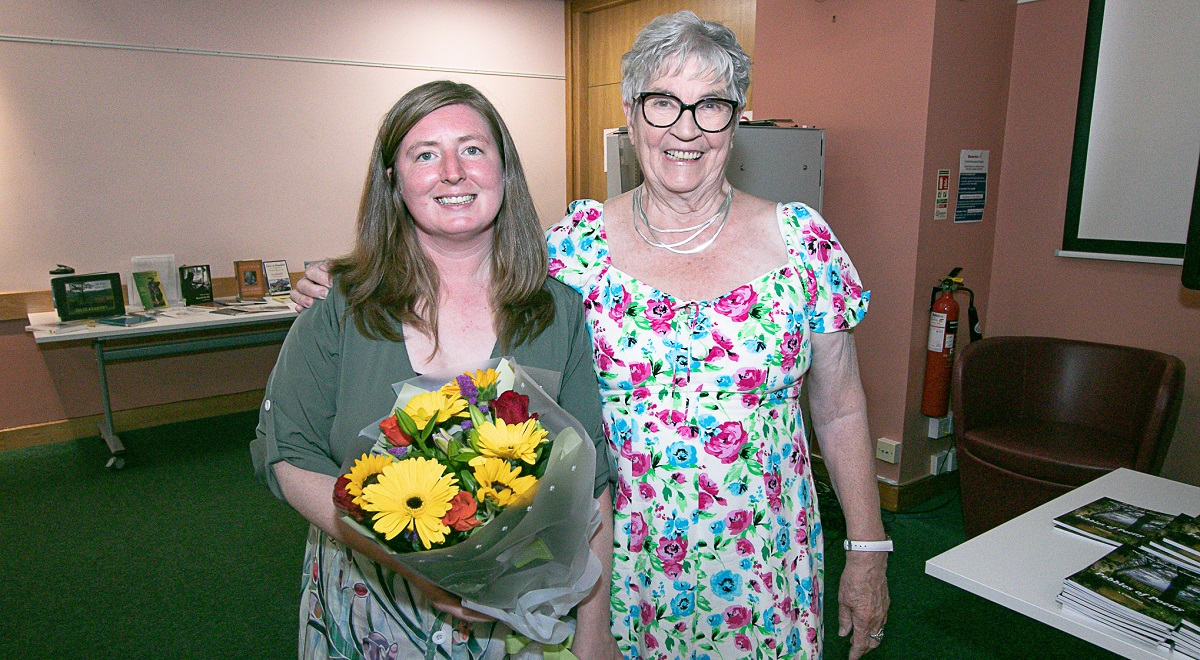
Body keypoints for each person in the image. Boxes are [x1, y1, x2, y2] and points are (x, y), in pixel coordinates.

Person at [295, 13, 890, 659]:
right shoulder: (574, 246)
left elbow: (842, 407)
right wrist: (345, 283)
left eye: (711, 105)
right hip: (606, 566)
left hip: (760, 560)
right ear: (632, 118)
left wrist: (868, 548)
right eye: (663, 103)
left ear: (738, 117)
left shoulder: (802, 242)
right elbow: (460, 268)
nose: (685, 128)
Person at [255, 80, 619, 659]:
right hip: (371, 606)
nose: (452, 171)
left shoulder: (558, 313)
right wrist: (404, 555)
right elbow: (287, 456)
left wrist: (595, 632)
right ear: (395, 183)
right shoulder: (339, 308)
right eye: (424, 154)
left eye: (472, 149)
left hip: (525, 615)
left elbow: (591, 484)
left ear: (505, 171)